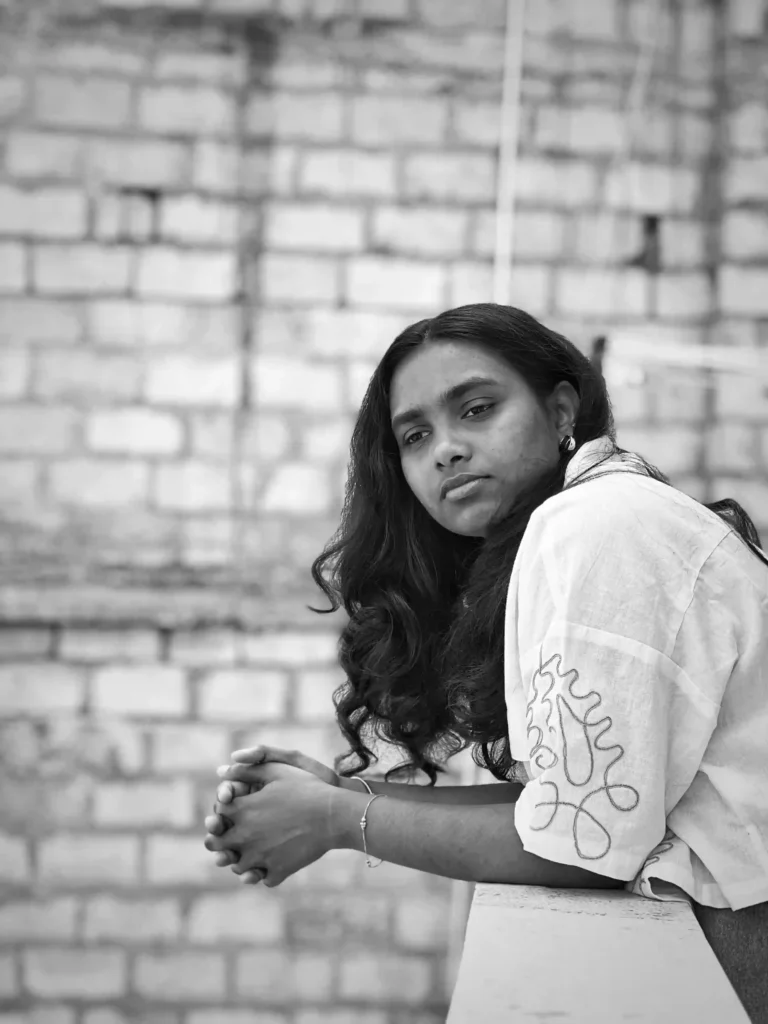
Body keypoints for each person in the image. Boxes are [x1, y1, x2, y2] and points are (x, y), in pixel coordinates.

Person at [203, 304, 768, 1022]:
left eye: (477, 409)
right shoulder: (582, 521)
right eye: (415, 436)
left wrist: (334, 819)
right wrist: (346, 794)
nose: (446, 449)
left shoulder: (595, 525)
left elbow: (581, 849)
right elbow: (565, 808)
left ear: (560, 410)